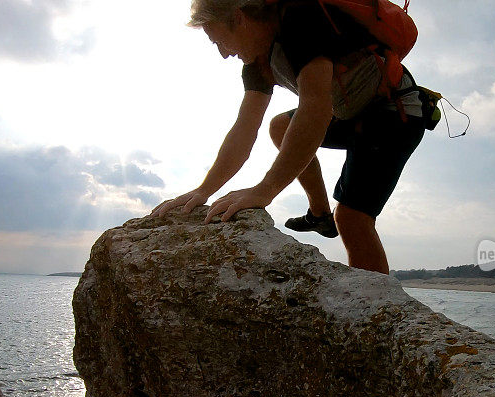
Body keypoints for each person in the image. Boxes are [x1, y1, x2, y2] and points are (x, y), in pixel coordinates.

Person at [150, 0, 425, 274]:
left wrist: (265, 189)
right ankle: (320, 215)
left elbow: (316, 107)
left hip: (394, 111)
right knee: (279, 126)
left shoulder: (299, 17)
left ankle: (375, 310)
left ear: (239, 18)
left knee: (353, 219)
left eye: (218, 41)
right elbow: (244, 128)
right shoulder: (257, 60)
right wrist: (204, 190)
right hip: (350, 114)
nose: (223, 54)